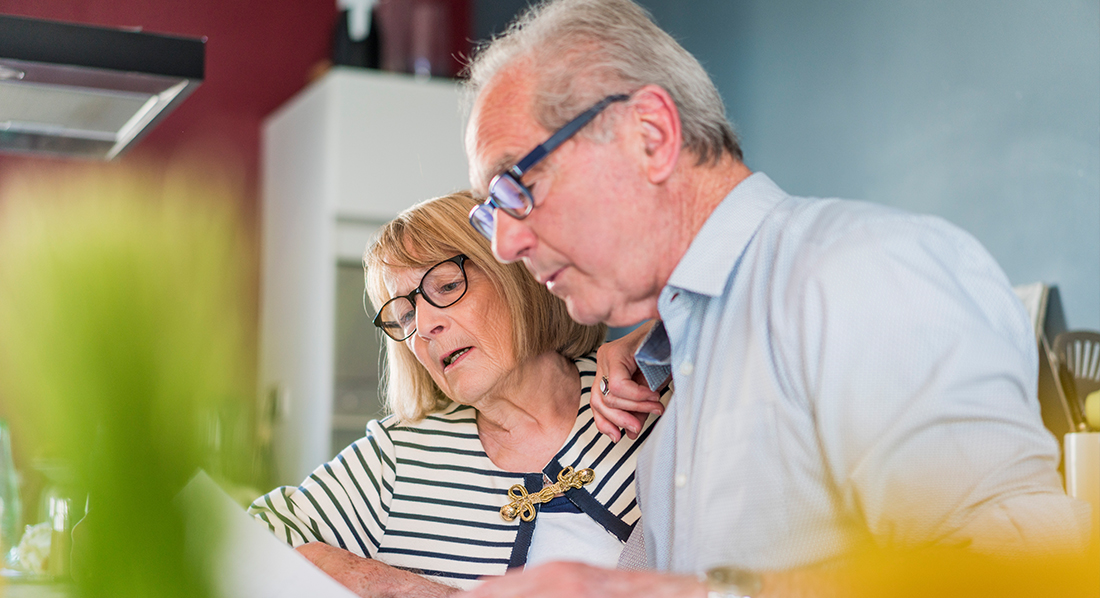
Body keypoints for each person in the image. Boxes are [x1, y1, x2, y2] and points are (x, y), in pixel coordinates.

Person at [457, 0, 1091, 596]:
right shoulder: (675, 365)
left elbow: (1015, 572)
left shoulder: (862, 272)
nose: (506, 243)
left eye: (516, 184)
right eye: (490, 214)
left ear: (650, 135)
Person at [248, 191, 669, 597]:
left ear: (516, 275)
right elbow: (239, 546)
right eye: (405, 314)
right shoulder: (397, 458)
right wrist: (406, 590)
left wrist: (664, 338)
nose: (425, 326)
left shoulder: (640, 385)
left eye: (447, 286)